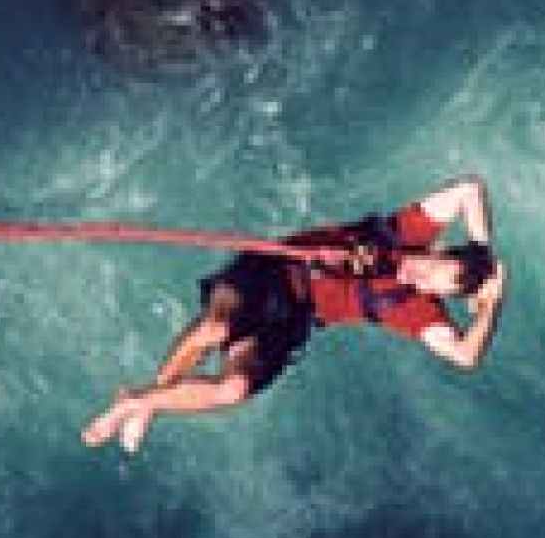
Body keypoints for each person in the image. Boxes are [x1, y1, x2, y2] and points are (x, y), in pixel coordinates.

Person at [82, 177, 508, 454]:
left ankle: (139, 401)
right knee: (214, 327)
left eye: (440, 285)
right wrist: (485, 250)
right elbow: (470, 189)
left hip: (292, 319)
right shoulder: (406, 232)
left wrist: (492, 301)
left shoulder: (414, 311)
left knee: (232, 389)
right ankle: (148, 402)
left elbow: (465, 356)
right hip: (270, 270)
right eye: (439, 266)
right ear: (440, 250)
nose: (428, 276)